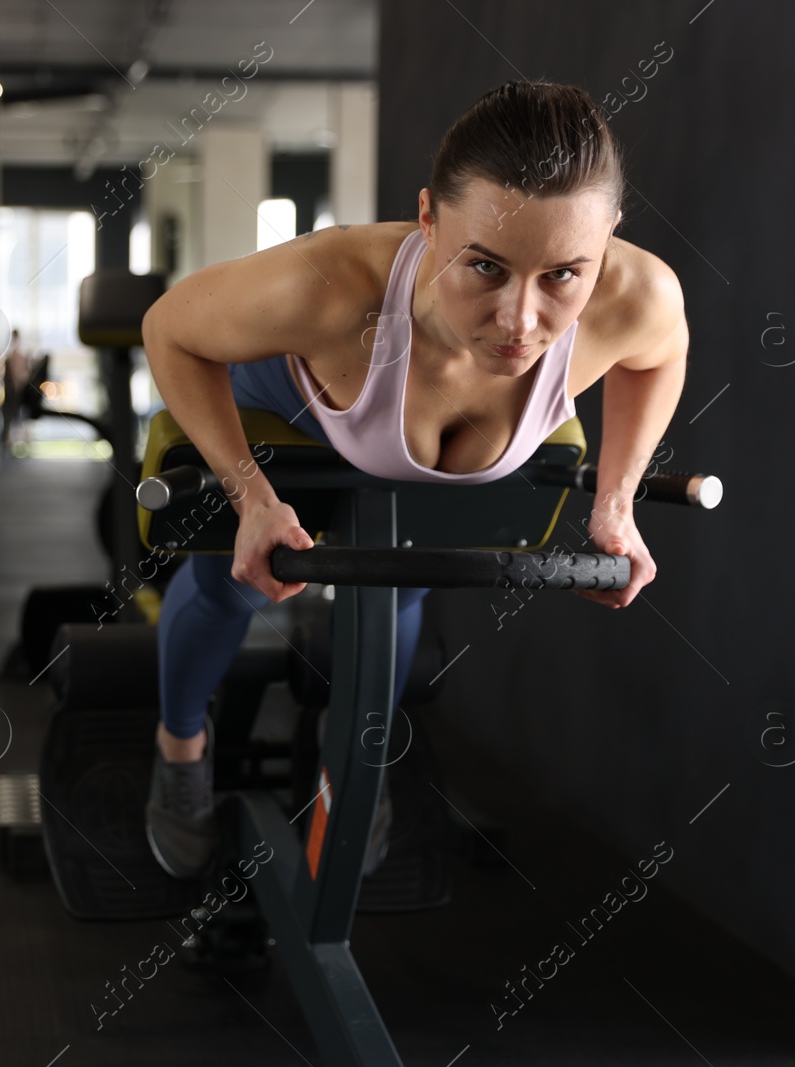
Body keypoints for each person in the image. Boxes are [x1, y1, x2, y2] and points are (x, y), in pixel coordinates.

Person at [139, 81, 689, 879]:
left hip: (429, 442)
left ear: (608, 237)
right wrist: (250, 496)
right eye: (486, 267)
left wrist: (617, 499)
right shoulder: (328, 287)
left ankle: (349, 772)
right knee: (231, 583)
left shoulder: (637, 296)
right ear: (428, 218)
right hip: (297, 401)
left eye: (564, 274)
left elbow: (659, 355)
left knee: (398, 586)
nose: (519, 320)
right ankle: (180, 744)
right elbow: (169, 330)